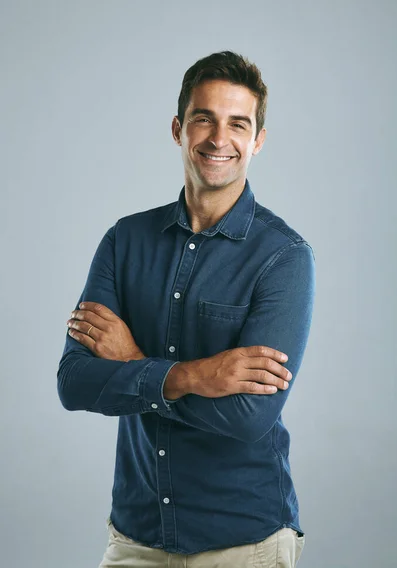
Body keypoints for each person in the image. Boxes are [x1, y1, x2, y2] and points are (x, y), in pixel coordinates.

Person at [58, 50, 316, 568]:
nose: (219, 139)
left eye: (237, 124)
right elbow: (75, 381)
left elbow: (249, 416)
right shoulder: (124, 241)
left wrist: (133, 363)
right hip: (135, 537)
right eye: (204, 119)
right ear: (178, 128)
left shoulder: (284, 258)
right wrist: (199, 375)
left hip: (245, 545)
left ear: (257, 139)